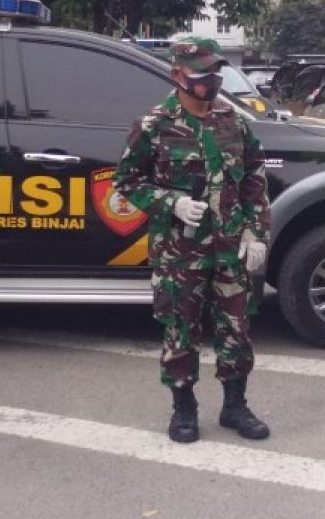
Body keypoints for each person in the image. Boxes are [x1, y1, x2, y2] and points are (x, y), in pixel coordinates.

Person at [114, 36, 271, 444]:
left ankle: (235, 406)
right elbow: (128, 182)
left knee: (236, 326)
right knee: (180, 328)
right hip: (179, 250)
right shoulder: (154, 124)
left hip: (231, 245)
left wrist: (257, 230)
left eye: (215, 71)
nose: (210, 79)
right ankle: (184, 408)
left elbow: (254, 174)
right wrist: (172, 202)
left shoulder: (232, 119)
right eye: (201, 72)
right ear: (178, 75)